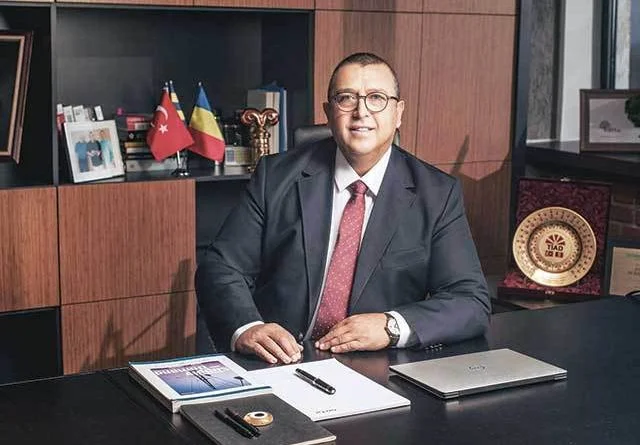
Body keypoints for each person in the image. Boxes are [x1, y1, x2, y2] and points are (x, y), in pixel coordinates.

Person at [196, 52, 490, 364]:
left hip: (376, 368)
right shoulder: (277, 176)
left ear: (398, 112)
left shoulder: (437, 193)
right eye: (346, 98)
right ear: (328, 112)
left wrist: (391, 326)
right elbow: (221, 268)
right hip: (281, 361)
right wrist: (248, 327)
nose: (361, 112)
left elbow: (470, 301)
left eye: (376, 98)